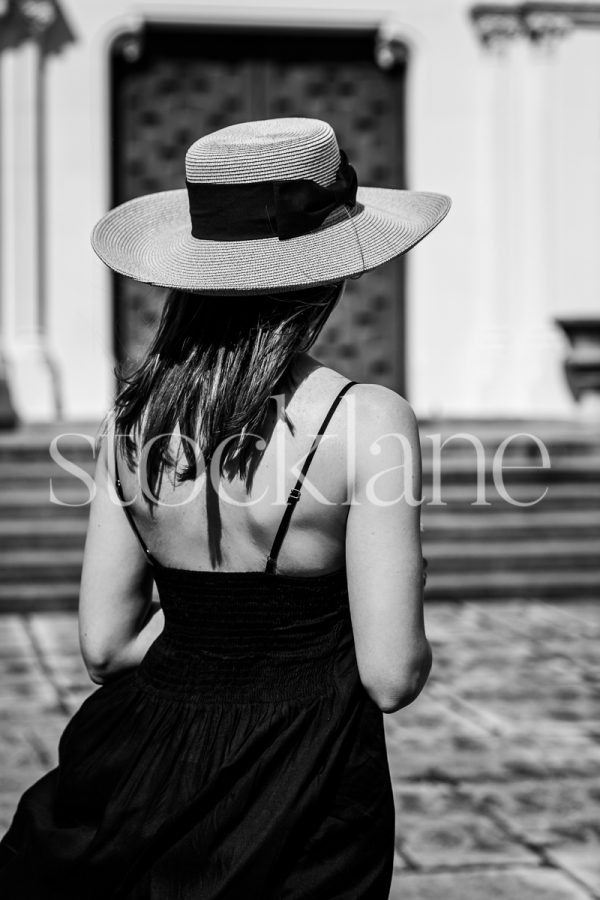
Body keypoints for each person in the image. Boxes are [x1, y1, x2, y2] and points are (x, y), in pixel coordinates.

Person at [0, 117, 450, 898]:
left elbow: (105, 647)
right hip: (304, 783)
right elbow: (390, 675)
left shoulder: (133, 419)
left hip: (142, 767)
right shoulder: (367, 420)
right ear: (329, 273)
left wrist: (217, 637)